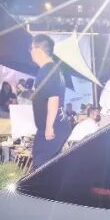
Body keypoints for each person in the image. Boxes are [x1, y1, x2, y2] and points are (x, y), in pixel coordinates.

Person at [29, 34, 72, 169]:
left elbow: (53, 98)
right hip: (55, 126)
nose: (30, 52)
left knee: (40, 168)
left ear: (38, 50)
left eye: (31, 48)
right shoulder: (53, 69)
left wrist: (49, 127)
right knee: (49, 167)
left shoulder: (47, 70)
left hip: (52, 128)